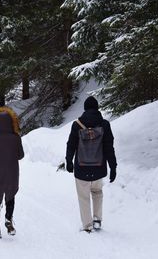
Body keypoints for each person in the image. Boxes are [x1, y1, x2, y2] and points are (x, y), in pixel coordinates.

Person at [66, 96, 117, 232]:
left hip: (81, 167)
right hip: (99, 167)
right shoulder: (104, 125)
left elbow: (71, 145)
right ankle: (97, 220)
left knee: (83, 196)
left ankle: (87, 225)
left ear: (85, 109)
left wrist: (69, 161)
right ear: (97, 108)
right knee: (97, 192)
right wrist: (113, 167)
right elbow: (109, 147)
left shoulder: (77, 124)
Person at [0, 106, 24, 238]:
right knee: (10, 197)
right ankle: (8, 218)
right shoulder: (16, 138)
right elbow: (20, 155)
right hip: (12, 171)